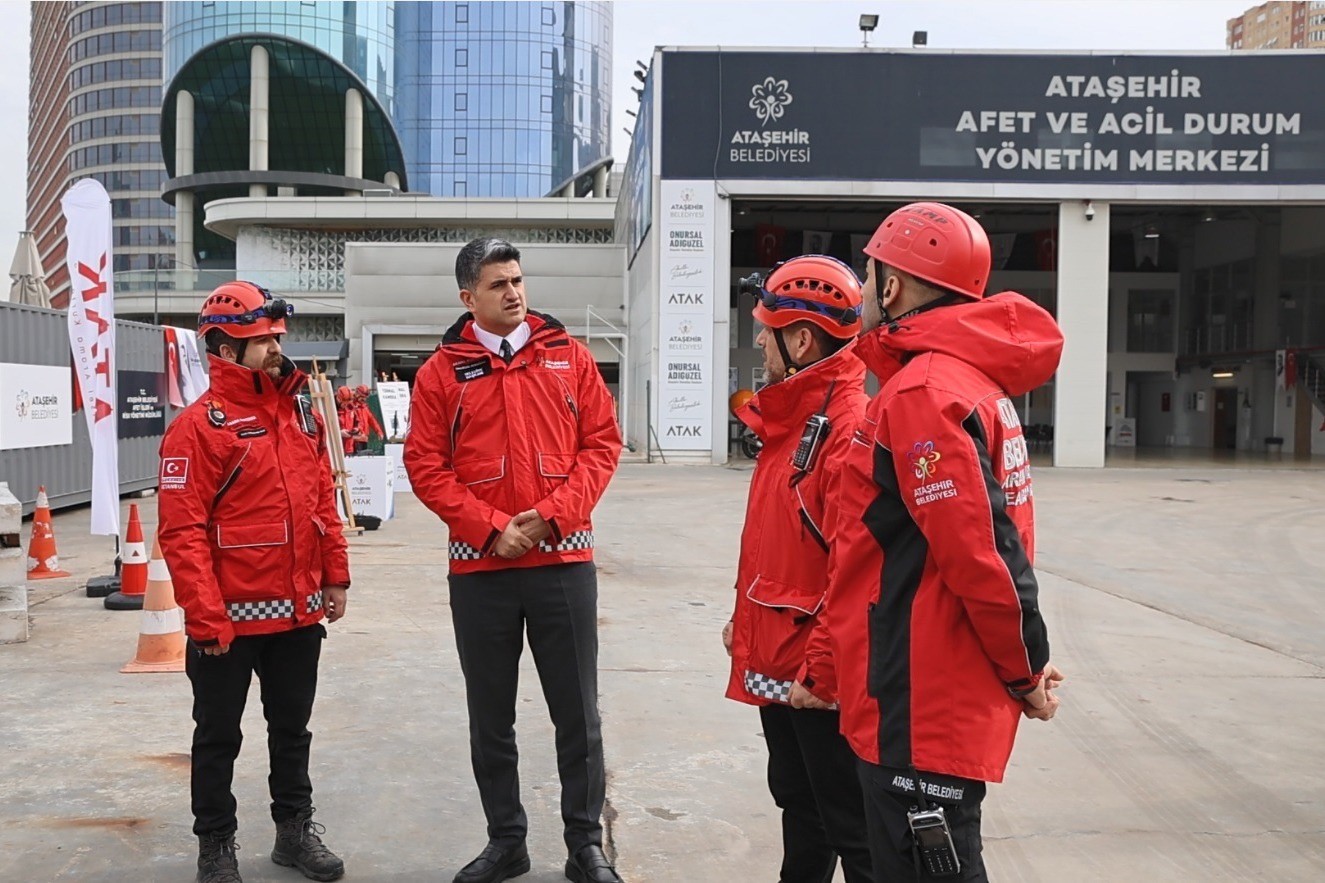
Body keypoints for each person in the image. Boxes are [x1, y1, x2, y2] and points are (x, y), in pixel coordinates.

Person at [821, 203, 1066, 880]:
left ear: (891, 287)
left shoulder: (923, 392)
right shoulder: (962, 382)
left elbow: (983, 558)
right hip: (921, 691)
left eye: (868, 276)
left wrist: (1025, 669)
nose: (863, 291)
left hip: (919, 706)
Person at [404, 238, 624, 883]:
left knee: (577, 714)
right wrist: (491, 528)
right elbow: (424, 465)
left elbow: (602, 445)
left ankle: (585, 846)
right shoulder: (441, 373)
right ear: (468, 297)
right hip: (483, 573)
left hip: (563, 565)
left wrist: (553, 515)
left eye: (519, 280)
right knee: (491, 718)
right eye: (499, 284)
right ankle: (508, 841)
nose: (514, 293)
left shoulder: (569, 358)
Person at [158, 281, 351, 883]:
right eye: (259, 339)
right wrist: (206, 617)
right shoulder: (197, 429)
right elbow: (181, 532)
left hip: (297, 617)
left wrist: (336, 574)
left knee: (292, 732)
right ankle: (215, 844)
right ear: (221, 348)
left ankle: (294, 833)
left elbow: (323, 496)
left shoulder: (299, 412)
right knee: (218, 737)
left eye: (273, 337)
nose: (273, 348)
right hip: (228, 626)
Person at [724, 255, 874, 882]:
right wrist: (742, 621)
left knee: (851, 824)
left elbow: (854, 568)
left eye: (766, 327)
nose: (759, 339)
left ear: (802, 338)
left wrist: (822, 670)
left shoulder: (845, 431)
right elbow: (775, 541)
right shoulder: (790, 420)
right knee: (797, 799)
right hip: (776, 651)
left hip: (815, 670)